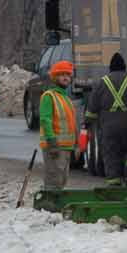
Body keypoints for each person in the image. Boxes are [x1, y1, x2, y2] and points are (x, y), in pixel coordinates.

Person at [88, 52, 127, 184]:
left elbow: (91, 111)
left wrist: (88, 123)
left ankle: (114, 184)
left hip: (109, 128)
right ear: (125, 67)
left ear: (110, 68)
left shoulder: (101, 83)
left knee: (111, 154)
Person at [35, 60, 79, 200]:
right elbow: (45, 120)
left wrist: (76, 144)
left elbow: (71, 123)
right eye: (62, 75)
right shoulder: (49, 97)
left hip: (65, 148)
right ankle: (50, 208)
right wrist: (52, 142)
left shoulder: (65, 98)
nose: (66, 77)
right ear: (55, 77)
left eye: (68, 74)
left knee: (61, 181)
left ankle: (55, 208)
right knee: (54, 181)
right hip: (55, 148)